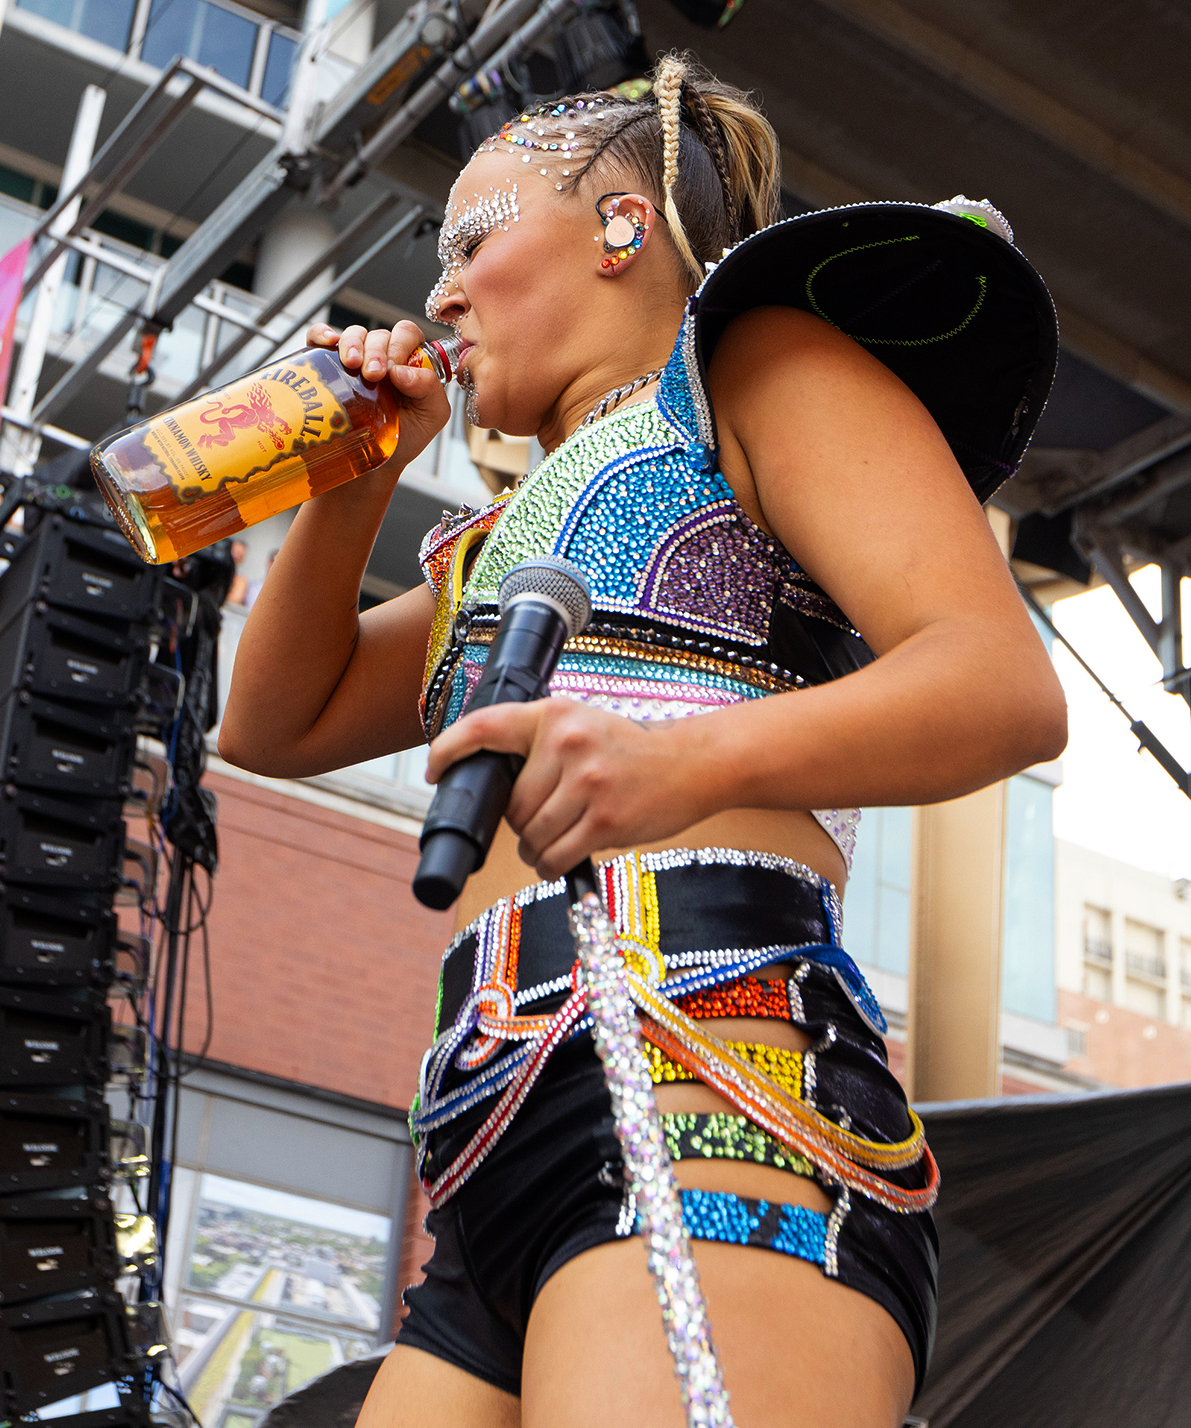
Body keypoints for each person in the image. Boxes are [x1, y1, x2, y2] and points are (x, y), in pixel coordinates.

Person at [219, 52, 1066, 1428]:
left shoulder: (753, 363)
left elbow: (1000, 687)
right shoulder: (496, 544)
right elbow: (272, 721)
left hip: (714, 1083)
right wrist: (348, 485)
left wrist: (679, 764)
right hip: (492, 1134)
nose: (439, 292)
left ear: (620, 229)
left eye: (473, 239)